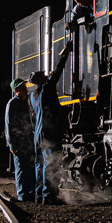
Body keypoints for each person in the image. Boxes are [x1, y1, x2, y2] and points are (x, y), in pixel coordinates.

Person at [29, 41, 73, 203]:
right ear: (39, 79)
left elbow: (33, 117)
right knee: (50, 162)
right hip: (48, 132)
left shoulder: (32, 96)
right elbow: (58, 71)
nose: (46, 75)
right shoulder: (47, 88)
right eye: (43, 75)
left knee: (39, 165)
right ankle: (49, 195)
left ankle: (39, 194)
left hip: (38, 134)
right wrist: (66, 52)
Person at [4, 77, 36, 202]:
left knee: (30, 167)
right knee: (22, 169)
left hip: (29, 141)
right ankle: (23, 195)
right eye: (23, 87)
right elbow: (9, 125)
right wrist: (12, 145)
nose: (26, 88)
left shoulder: (28, 102)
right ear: (17, 89)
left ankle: (30, 193)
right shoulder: (12, 104)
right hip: (19, 142)